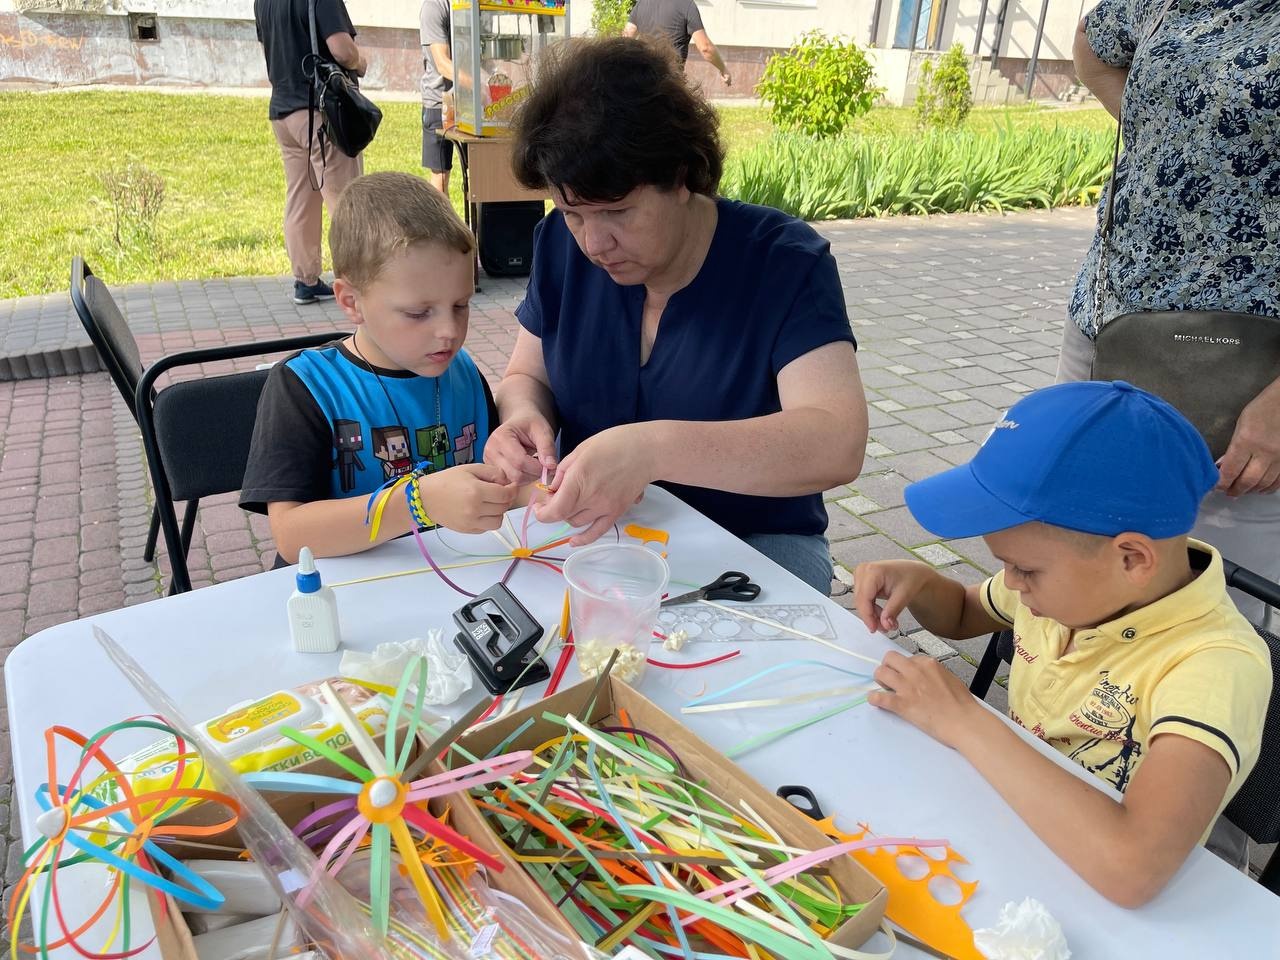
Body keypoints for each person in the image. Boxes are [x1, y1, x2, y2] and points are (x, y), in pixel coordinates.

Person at [852, 380, 1271, 905]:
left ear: (1132, 559)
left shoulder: (1214, 667)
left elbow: (1133, 868)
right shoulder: (1074, 592)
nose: (1011, 583)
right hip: (1007, 833)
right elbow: (960, 613)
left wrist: (964, 720)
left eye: (1025, 569)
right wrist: (920, 582)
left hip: (1084, 899)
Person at [485, 37, 868, 595]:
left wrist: (650, 451)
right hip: (603, 531)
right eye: (572, 213)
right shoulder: (559, 246)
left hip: (753, 540)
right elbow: (526, 376)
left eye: (618, 211)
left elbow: (836, 442)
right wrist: (522, 419)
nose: (594, 243)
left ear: (683, 176)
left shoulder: (784, 262)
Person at [1062, 0, 1280, 627]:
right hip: (1110, 321)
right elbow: (1093, 44)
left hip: (1253, 376)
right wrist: (1173, 133)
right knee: (1080, 549)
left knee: (1214, 604)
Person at [240, 172, 516, 563]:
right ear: (351, 302)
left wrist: (545, 486)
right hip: (343, 590)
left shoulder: (463, 373)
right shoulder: (305, 387)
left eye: (461, 305)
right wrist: (419, 502)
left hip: (452, 578)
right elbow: (291, 534)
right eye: (418, 312)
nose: (450, 331)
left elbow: (496, 486)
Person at [254, 0, 368, 305]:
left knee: (300, 198)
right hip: (320, 111)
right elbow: (342, 50)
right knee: (345, 200)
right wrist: (360, 62)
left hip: (283, 112)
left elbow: (270, 49)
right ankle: (355, 282)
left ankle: (305, 280)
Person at [623, 0, 732, 86]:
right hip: (670, 82)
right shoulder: (686, 5)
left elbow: (626, 36)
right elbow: (705, 48)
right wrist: (723, 69)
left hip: (644, 78)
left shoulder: (642, 3)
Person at [419, 0, 455, 195]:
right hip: (439, 102)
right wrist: (480, 84)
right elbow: (442, 64)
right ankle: (439, 216)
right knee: (440, 179)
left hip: (472, 103)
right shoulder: (434, 6)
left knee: (479, 172)